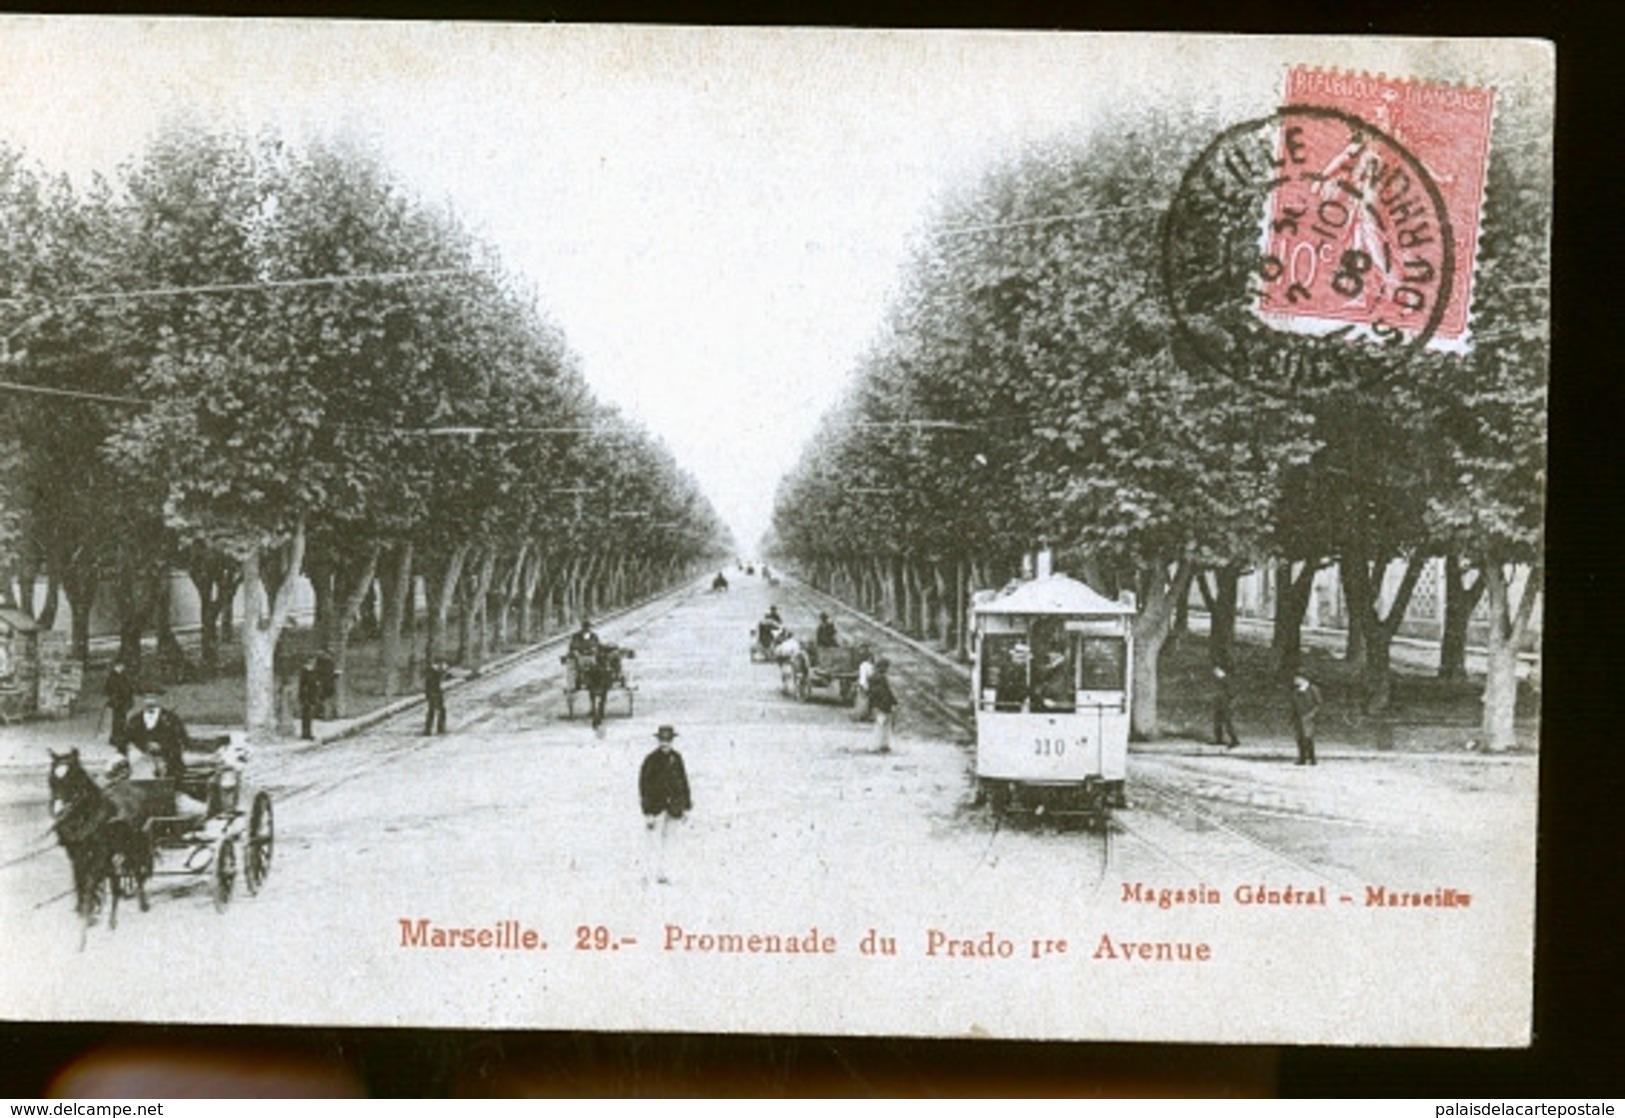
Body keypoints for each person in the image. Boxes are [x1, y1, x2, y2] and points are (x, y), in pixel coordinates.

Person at [639, 725, 692, 884]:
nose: (665, 744)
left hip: (674, 807)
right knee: (653, 841)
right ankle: (648, 873)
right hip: (656, 807)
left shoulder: (677, 758)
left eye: (668, 740)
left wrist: (686, 806)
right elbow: (644, 786)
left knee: (669, 841)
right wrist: (647, 812)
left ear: (672, 741)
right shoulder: (651, 760)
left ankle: (664, 873)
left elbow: (683, 782)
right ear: (658, 741)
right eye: (662, 740)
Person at [1289, 673, 1322, 766]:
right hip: (1299, 717)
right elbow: (1294, 705)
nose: (1295, 680)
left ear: (1303, 679)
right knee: (1299, 737)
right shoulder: (1296, 691)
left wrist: (1312, 714)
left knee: (1308, 737)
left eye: (1297, 678)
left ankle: (1312, 758)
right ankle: (1302, 757)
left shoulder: (1313, 689)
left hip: (1309, 717)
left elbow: (1318, 704)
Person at [103, 660, 135, 750]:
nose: (122, 668)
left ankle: (118, 737)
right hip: (118, 701)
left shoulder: (122, 675)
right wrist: (113, 697)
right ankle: (116, 738)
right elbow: (109, 689)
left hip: (122, 701)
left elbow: (127, 687)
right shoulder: (113, 677)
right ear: (116, 667)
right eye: (120, 666)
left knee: (121, 719)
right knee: (118, 720)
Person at [868, 657, 897, 754]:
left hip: (878, 705)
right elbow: (886, 692)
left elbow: (873, 693)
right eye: (887, 667)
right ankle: (878, 746)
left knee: (880, 724)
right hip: (884, 705)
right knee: (883, 725)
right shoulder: (882, 678)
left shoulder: (873, 677)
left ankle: (880, 745)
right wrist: (893, 701)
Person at [1211, 665, 1241, 748]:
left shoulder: (1226, 680)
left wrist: (1229, 702)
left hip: (1225, 704)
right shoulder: (1222, 680)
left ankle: (1234, 740)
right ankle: (1219, 739)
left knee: (1227, 722)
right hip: (1221, 703)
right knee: (1218, 721)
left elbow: (1232, 693)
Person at [298, 656, 322, 741]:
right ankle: (305, 733)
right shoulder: (305, 671)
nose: (314, 663)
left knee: (309, 715)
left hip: (312, 695)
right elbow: (303, 684)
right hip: (306, 695)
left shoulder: (313, 671)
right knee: (306, 715)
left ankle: (308, 733)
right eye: (312, 661)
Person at [424, 658, 449, 735]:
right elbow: (430, 684)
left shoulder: (432, 671)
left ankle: (429, 729)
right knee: (439, 710)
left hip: (434, 692)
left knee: (433, 711)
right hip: (435, 693)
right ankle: (439, 728)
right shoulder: (433, 672)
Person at [851, 645, 875, 722]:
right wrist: (864, 685)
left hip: (864, 684)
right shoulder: (866, 666)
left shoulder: (866, 665)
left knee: (863, 701)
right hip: (864, 685)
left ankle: (862, 715)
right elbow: (864, 677)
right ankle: (859, 716)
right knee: (863, 701)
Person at [314, 647, 337, 719]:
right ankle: (323, 714)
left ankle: (327, 714)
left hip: (327, 683)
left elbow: (330, 673)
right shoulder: (321, 662)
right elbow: (318, 672)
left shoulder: (330, 663)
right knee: (322, 698)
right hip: (324, 683)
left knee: (325, 698)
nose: (326, 656)